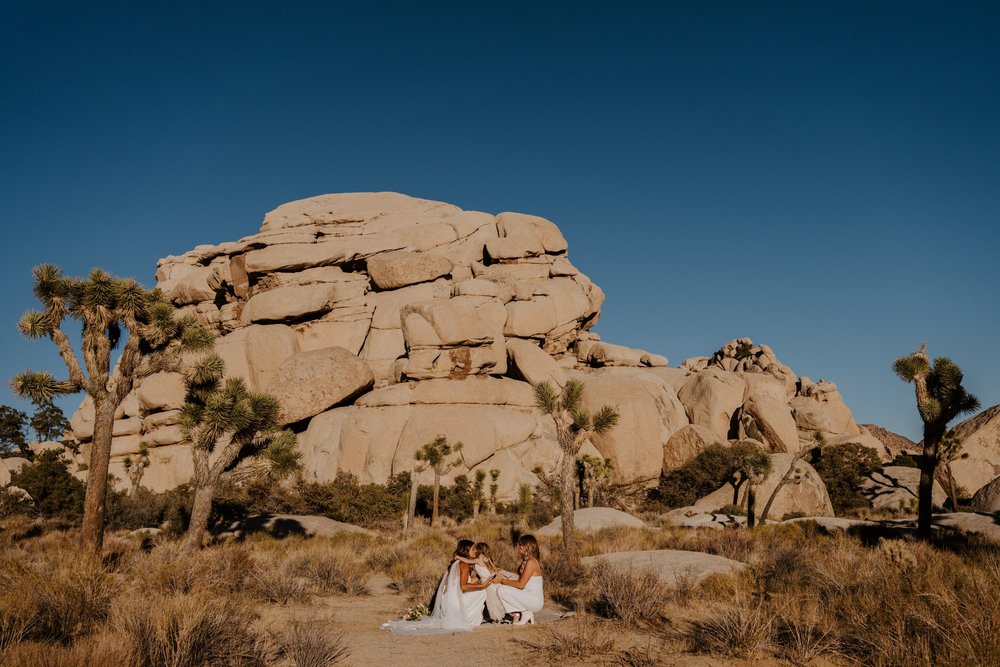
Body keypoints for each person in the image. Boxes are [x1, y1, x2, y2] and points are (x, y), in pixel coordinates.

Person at [381, 539, 494, 636]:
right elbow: (463, 586)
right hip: (454, 604)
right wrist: (482, 585)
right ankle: (470, 620)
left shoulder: (458, 562)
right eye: (473, 549)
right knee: (482, 592)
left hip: (448, 601)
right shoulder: (463, 564)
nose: (476, 551)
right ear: (466, 550)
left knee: (480, 590)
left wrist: (477, 581)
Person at [494, 534, 544, 625]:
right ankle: (523, 612)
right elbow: (516, 577)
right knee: (502, 588)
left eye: (520, 545)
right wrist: (502, 572)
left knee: (502, 589)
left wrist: (501, 581)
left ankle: (524, 612)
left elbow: (520, 584)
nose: (518, 548)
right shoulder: (526, 561)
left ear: (526, 547)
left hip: (534, 600)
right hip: (527, 596)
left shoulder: (531, 562)